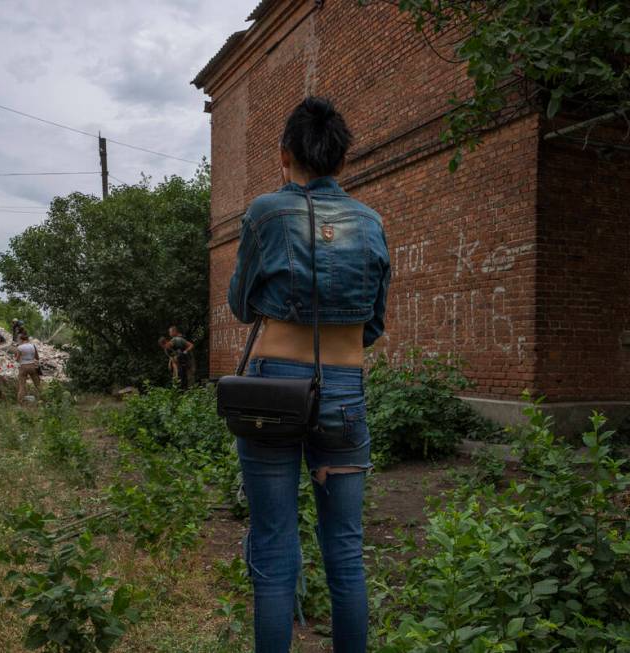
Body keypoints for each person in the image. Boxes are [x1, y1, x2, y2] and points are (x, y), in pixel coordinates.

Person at [227, 97, 390, 653]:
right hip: (344, 390)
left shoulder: (265, 212)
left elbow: (242, 306)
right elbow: (374, 322)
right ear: (342, 160)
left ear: (284, 155)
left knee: (274, 548)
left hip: (273, 387)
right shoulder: (371, 222)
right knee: (345, 549)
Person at [14, 333, 41, 403]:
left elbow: (17, 359)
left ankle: (20, 402)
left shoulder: (19, 347)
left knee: (22, 386)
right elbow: (37, 358)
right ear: (27, 339)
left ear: (21, 340)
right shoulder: (33, 346)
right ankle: (42, 399)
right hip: (32, 366)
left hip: (23, 367)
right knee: (38, 385)